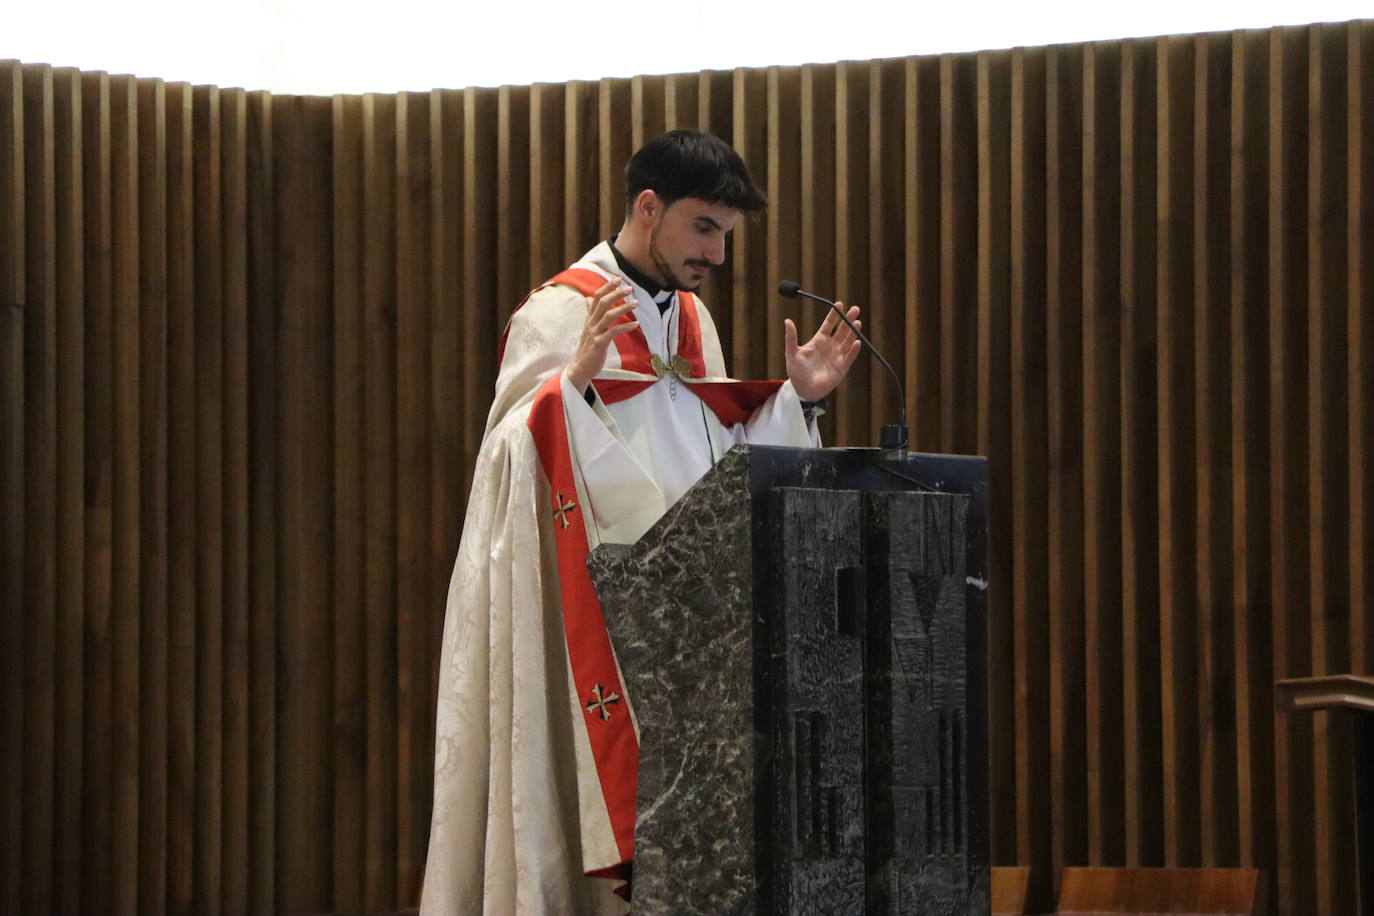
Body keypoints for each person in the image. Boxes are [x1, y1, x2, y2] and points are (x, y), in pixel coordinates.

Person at [420, 129, 863, 915]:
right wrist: (568, 395)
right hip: (586, 628)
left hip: (682, 638)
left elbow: (714, 464)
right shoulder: (560, 314)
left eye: (725, 235)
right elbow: (501, 467)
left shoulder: (693, 324)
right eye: (703, 228)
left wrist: (800, 404)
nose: (717, 256)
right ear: (648, 207)